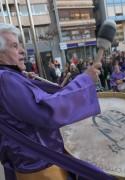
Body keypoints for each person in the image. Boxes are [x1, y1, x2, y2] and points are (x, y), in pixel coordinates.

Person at [0, 23, 110, 180]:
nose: (22, 51)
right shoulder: (5, 79)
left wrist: (28, 83)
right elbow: (46, 111)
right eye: (14, 46)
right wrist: (85, 80)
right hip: (41, 166)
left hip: (34, 162)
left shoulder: (9, 76)